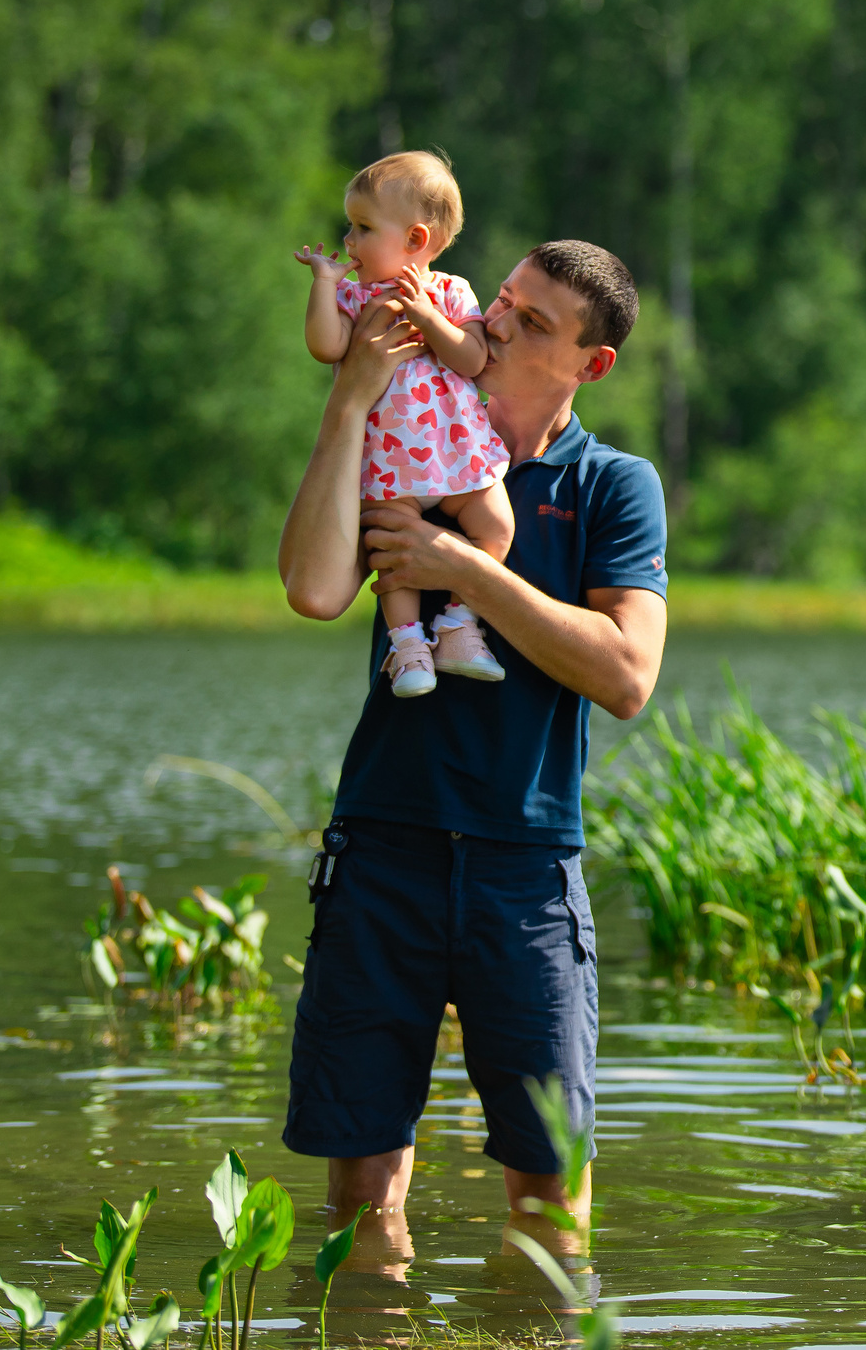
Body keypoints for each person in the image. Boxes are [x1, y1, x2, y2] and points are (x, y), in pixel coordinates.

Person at [276, 236, 666, 1241]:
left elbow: (626, 676)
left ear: (593, 364)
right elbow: (315, 591)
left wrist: (464, 567)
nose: (495, 322)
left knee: (551, 1204)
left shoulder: (613, 486)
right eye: (502, 300)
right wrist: (351, 402)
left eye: (534, 323)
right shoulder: (411, 430)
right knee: (361, 1208)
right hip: (381, 853)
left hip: (524, 870)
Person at [294, 151, 513, 697]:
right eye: (351, 225)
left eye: (363, 228)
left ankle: (458, 625)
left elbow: (470, 359)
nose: (348, 240)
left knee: (496, 526)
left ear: (416, 241)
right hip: (389, 462)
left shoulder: (451, 292)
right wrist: (324, 284)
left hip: (455, 455)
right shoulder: (353, 294)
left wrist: (428, 318)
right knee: (393, 551)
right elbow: (327, 348)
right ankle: (408, 643)